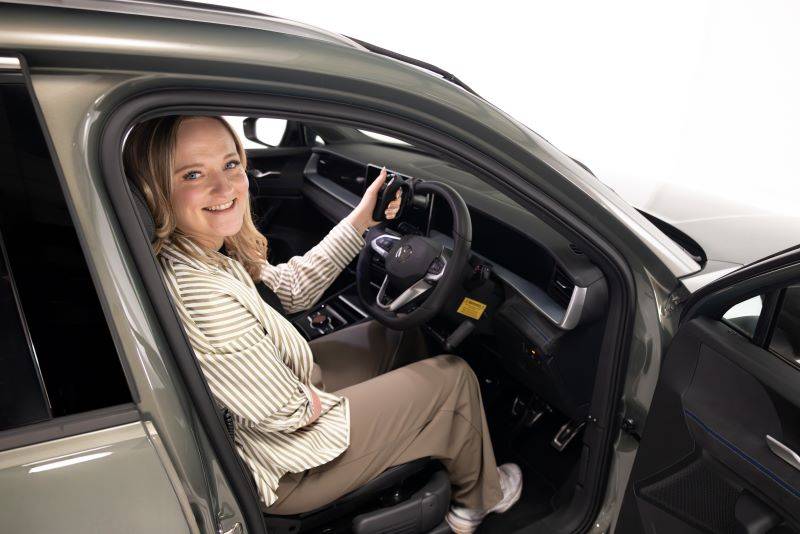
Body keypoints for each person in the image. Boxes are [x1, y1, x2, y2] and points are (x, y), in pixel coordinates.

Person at [123, 115, 522, 533]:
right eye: (192, 174)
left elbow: (290, 288)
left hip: (281, 402)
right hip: (286, 465)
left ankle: (428, 437)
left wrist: (362, 220)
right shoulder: (199, 294)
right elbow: (286, 412)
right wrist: (318, 397)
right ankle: (475, 504)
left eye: (230, 164)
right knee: (454, 379)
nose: (224, 188)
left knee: (395, 331)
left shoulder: (197, 252)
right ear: (155, 190)